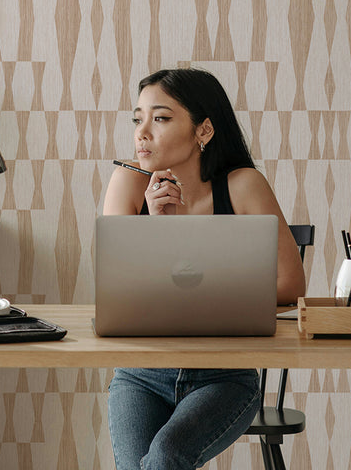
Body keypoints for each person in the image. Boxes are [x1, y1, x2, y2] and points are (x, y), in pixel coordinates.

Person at [102, 67, 306, 470]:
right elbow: (116, 292)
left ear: (204, 131)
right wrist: (159, 230)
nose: (142, 132)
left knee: (164, 458)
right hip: (141, 374)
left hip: (225, 376)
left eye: (160, 118)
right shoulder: (128, 182)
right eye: (137, 118)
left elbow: (290, 283)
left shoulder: (243, 185)